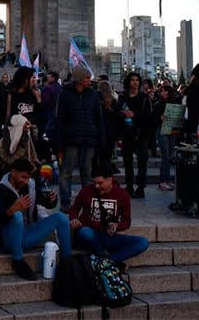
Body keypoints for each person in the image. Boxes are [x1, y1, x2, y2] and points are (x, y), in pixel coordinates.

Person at [0, 158, 72, 281]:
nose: (26, 181)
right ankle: (18, 261)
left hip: (26, 235)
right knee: (17, 215)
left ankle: (67, 262)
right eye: (23, 177)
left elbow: (46, 203)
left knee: (61, 218)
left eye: (28, 177)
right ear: (13, 172)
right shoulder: (0, 189)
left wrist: (52, 199)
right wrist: (13, 209)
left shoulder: (29, 186)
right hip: (7, 239)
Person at [68, 163, 149, 269]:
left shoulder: (122, 194)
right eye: (95, 183)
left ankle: (106, 261)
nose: (96, 186)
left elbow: (126, 221)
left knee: (142, 242)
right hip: (88, 234)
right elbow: (74, 208)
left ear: (109, 180)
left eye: (100, 183)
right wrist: (74, 218)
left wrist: (116, 226)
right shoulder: (87, 190)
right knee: (85, 232)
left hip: (108, 236)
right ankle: (111, 262)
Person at [56, 66, 104, 210]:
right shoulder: (65, 94)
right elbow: (60, 119)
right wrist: (58, 142)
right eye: (87, 77)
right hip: (70, 139)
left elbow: (98, 118)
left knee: (87, 172)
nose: (90, 80)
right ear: (79, 80)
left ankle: (88, 202)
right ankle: (65, 202)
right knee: (66, 172)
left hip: (89, 138)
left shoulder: (93, 95)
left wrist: (101, 138)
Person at [118, 72, 152, 198]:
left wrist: (135, 115)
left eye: (137, 80)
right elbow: (118, 113)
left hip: (141, 135)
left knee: (142, 162)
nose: (135, 82)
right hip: (127, 134)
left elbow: (149, 117)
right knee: (128, 162)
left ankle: (141, 187)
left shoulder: (144, 98)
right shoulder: (123, 97)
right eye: (132, 80)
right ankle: (129, 186)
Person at [97, 80, 121, 173]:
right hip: (111, 131)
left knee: (100, 154)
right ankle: (108, 172)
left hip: (100, 130)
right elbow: (117, 117)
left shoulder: (97, 100)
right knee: (109, 153)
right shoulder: (114, 101)